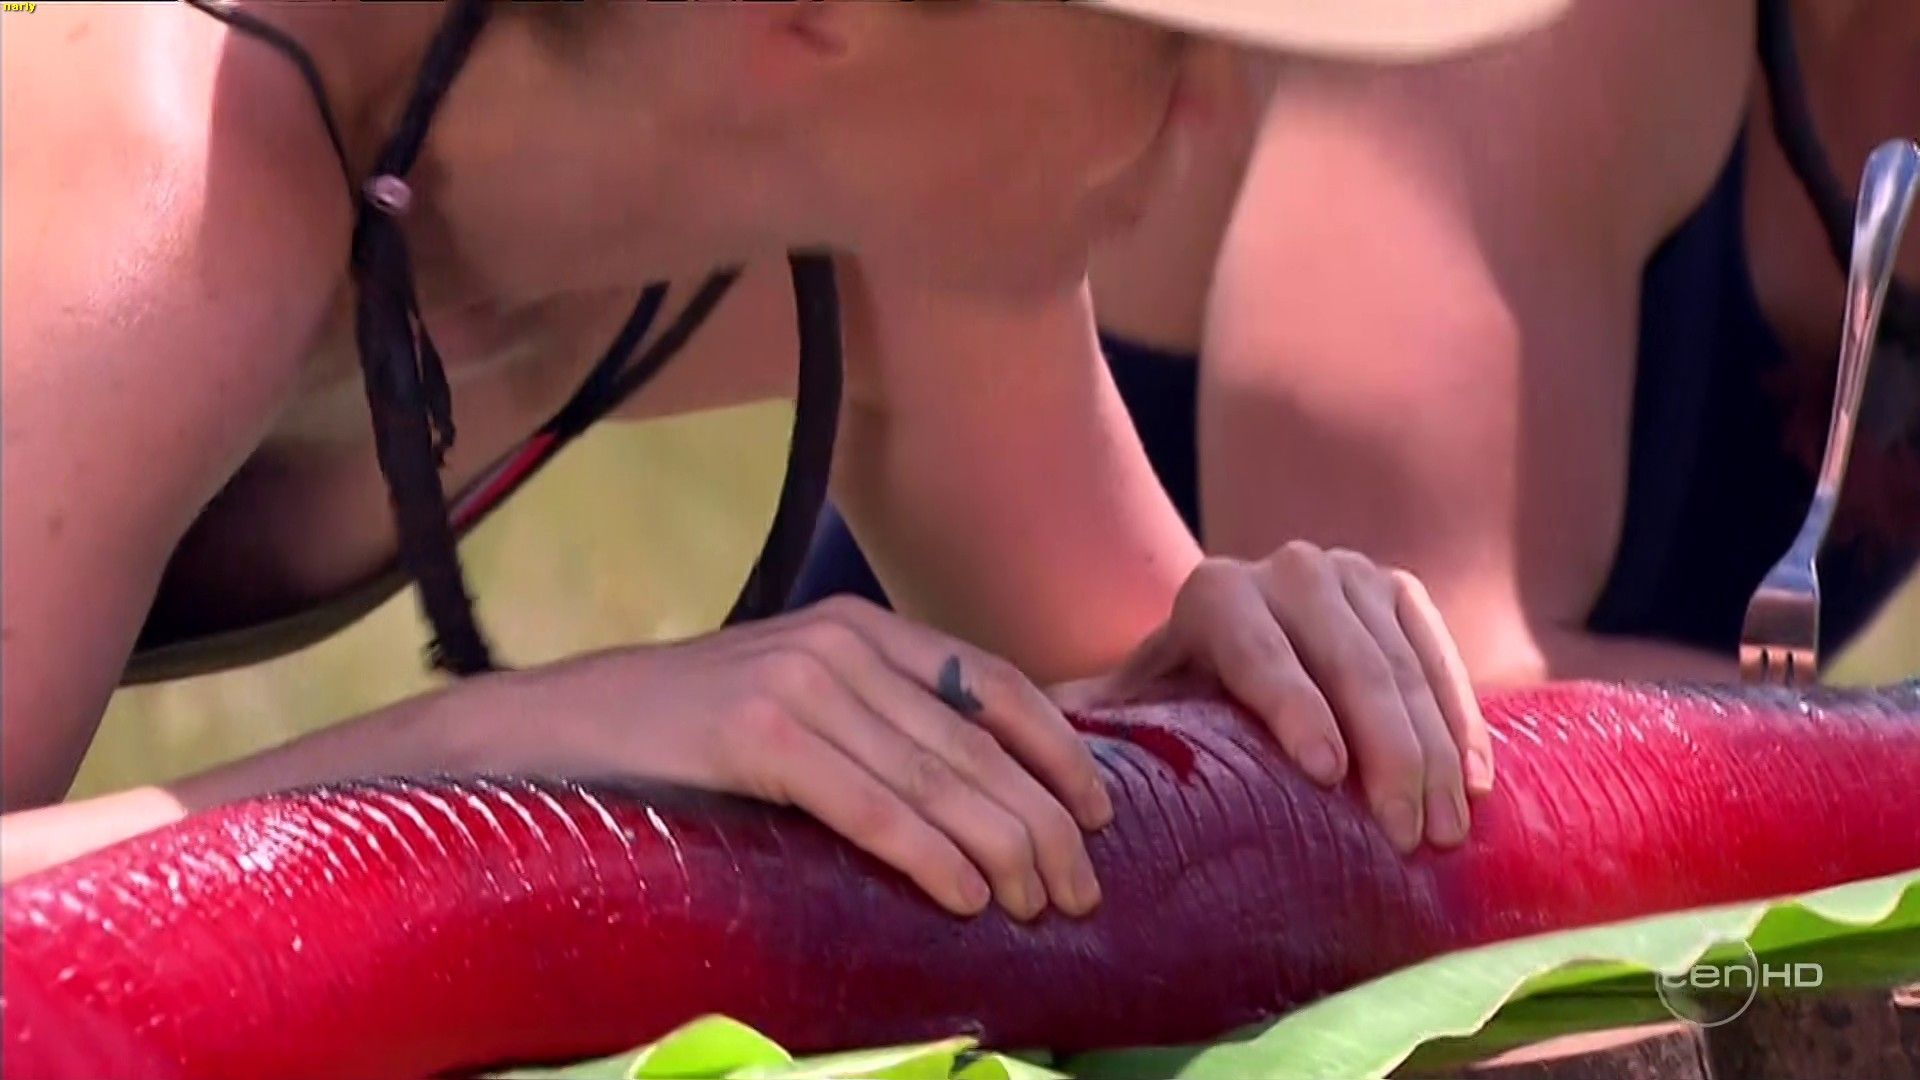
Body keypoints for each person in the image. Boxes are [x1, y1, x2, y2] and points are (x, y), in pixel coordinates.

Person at [0, 0, 1568, 912]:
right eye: (1150, 32)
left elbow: (1127, 771)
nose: (1223, 107)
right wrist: (504, 760)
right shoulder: (162, 192)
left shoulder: (882, 218)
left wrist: (1241, 684)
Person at [794, 0, 1920, 687]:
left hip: (1277, 914)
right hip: (918, 909)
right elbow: (1422, 726)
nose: (1199, 90)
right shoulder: (1541, 23)